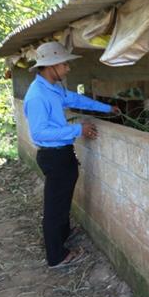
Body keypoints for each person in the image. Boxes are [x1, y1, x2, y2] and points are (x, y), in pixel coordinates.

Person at [24, 41, 119, 268]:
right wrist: (78, 130)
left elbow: (75, 100)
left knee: (63, 198)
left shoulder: (53, 88)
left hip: (62, 153)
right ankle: (56, 256)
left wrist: (106, 108)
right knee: (55, 206)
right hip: (54, 155)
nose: (67, 68)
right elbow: (40, 132)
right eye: (64, 64)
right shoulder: (37, 95)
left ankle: (62, 234)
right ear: (51, 66)